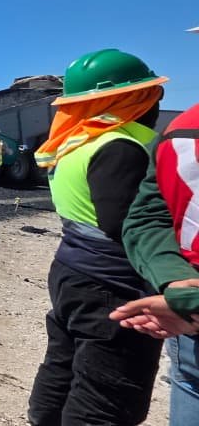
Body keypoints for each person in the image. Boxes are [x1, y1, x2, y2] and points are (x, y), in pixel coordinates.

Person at [26, 48, 168, 426]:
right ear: (135, 98)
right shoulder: (120, 146)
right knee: (106, 398)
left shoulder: (75, 142)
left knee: (62, 365)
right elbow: (124, 224)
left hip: (73, 269)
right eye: (152, 94)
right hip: (111, 284)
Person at [109, 102, 199, 425]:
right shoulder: (173, 133)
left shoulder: (182, 128)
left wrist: (178, 285)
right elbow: (145, 216)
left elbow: (146, 218)